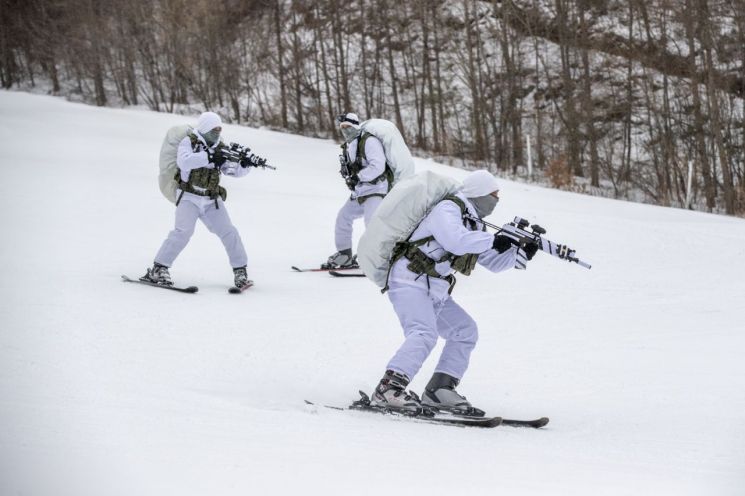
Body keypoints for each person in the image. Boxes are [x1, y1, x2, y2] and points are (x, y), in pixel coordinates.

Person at [370, 170, 539, 415]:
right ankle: (388, 389)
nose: (496, 199)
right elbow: (455, 241)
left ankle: (439, 390)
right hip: (409, 280)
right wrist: (493, 240)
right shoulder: (448, 209)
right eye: (493, 194)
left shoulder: (474, 221)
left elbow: (491, 262)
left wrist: (517, 254)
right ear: (479, 192)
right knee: (423, 333)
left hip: (434, 288)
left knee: (464, 331)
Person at [142, 111, 252, 289]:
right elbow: (185, 162)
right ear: (205, 127)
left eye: (219, 129)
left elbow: (230, 170)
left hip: (211, 200)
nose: (216, 132)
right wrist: (208, 156)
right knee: (182, 232)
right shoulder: (188, 142)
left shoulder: (219, 146)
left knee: (229, 232)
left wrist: (244, 166)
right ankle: (158, 268)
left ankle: (240, 271)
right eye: (213, 129)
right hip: (188, 197)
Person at [322, 112, 393, 270]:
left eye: (348, 127)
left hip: (376, 189)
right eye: (343, 128)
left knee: (372, 224)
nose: (345, 130)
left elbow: (378, 166)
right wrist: (350, 178)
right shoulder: (349, 145)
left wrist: (358, 176)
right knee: (343, 217)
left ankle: (380, 260)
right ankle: (345, 255)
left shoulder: (369, 141)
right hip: (360, 191)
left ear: (355, 125)